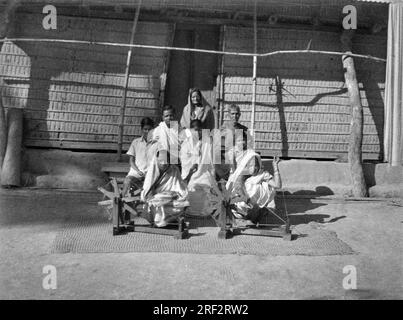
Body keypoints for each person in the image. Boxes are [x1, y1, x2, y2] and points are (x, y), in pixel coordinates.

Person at [141, 149, 197, 227]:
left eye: (166, 160)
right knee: (156, 202)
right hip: (157, 199)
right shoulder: (152, 172)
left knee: (183, 201)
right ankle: (159, 221)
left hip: (172, 198)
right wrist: (160, 196)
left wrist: (190, 173)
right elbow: (147, 194)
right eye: (161, 161)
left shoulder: (174, 169)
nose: (164, 163)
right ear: (156, 160)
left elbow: (181, 186)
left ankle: (167, 220)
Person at [179, 119, 222, 217]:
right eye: (195, 130)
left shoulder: (208, 142)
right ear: (190, 130)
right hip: (190, 174)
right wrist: (192, 168)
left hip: (204, 173)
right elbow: (184, 162)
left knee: (209, 186)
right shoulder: (186, 143)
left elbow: (211, 162)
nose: (198, 133)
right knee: (191, 188)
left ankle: (204, 211)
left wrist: (212, 175)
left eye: (200, 130)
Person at [226, 150, 282, 224]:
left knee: (265, 185)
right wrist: (247, 200)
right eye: (251, 165)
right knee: (249, 186)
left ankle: (256, 214)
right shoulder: (242, 174)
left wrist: (275, 167)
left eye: (256, 165)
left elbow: (277, 185)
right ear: (247, 165)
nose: (254, 168)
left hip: (255, 206)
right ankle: (247, 216)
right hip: (240, 207)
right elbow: (238, 187)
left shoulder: (262, 174)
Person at [122, 117, 154, 196]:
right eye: (145, 129)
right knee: (127, 181)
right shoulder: (135, 142)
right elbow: (131, 161)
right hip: (136, 172)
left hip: (151, 173)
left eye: (149, 129)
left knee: (152, 188)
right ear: (141, 129)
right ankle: (121, 201)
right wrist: (138, 171)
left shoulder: (156, 143)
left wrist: (150, 172)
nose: (147, 131)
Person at [221, 104, 253, 168]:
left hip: (241, 154)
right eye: (232, 114)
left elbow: (249, 144)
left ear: (240, 115)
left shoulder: (244, 129)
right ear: (228, 115)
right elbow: (221, 147)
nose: (235, 116)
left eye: (237, 114)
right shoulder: (224, 128)